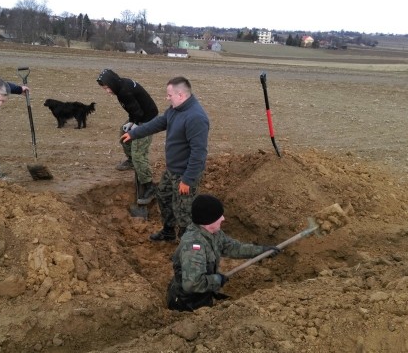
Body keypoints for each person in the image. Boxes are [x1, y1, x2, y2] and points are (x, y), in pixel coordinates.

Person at [121, 76, 209, 241]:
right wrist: (134, 133)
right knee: (163, 196)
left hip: (186, 173)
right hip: (172, 170)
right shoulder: (175, 110)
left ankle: (186, 244)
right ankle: (168, 232)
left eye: (169, 95)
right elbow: (159, 123)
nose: (167, 98)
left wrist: (188, 180)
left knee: (184, 210)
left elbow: (199, 153)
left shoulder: (196, 117)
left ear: (181, 95)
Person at [166, 194, 281, 312]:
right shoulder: (194, 247)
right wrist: (217, 279)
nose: (223, 219)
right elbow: (192, 284)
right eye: (218, 216)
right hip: (187, 304)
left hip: (204, 296)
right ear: (208, 220)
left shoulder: (214, 233)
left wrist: (261, 251)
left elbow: (233, 247)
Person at [97, 69, 159, 204]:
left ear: (112, 82)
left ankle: (150, 186)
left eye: (107, 87)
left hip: (148, 119)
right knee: (123, 135)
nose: (107, 91)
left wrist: (136, 126)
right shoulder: (121, 86)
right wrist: (131, 122)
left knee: (139, 154)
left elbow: (139, 111)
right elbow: (133, 108)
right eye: (104, 89)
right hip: (140, 116)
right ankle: (131, 161)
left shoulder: (124, 92)